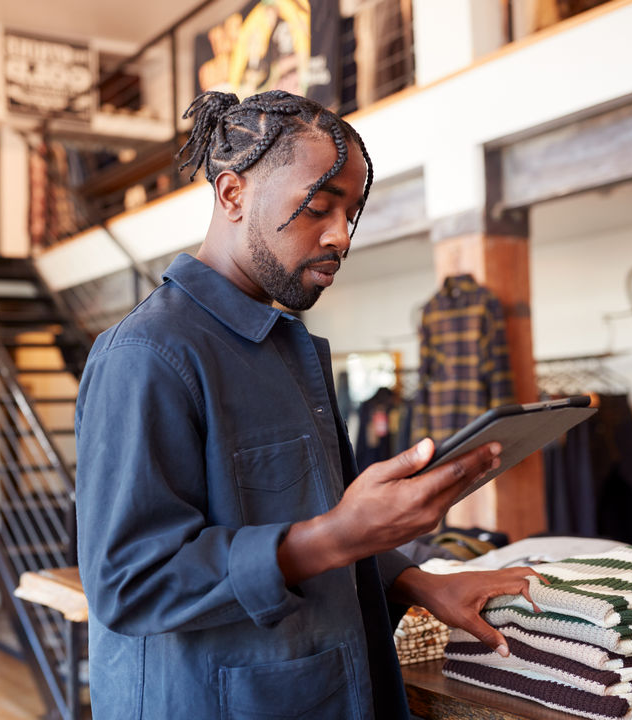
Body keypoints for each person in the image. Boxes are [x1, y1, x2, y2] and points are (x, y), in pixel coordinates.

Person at [76, 90, 540, 719]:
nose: (341, 237)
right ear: (232, 194)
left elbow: (314, 522)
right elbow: (129, 584)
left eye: (350, 214)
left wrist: (420, 581)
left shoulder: (286, 348)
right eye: (319, 208)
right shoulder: (147, 355)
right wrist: (339, 533)